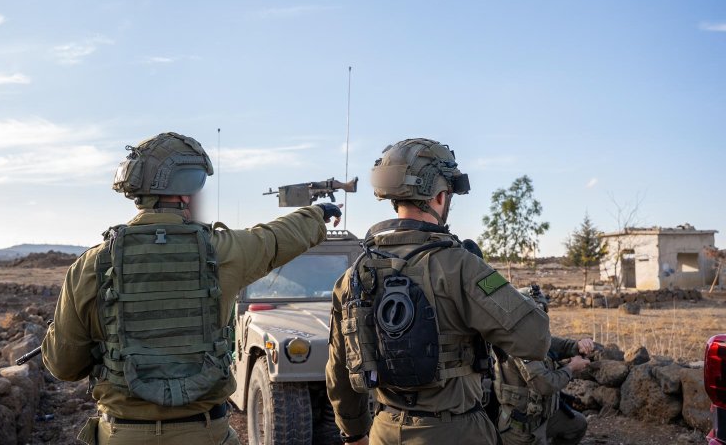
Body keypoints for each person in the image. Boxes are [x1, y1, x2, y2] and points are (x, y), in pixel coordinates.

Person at [41, 132, 342, 445]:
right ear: (186, 192)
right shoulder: (222, 250)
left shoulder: (91, 265)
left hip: (121, 433)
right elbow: (275, 238)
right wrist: (317, 213)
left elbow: (65, 367)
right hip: (205, 433)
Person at [325, 137, 551, 445]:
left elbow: (339, 372)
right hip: (457, 432)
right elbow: (535, 339)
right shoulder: (462, 266)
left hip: (384, 430)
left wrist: (353, 433)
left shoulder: (352, 276)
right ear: (440, 195)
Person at [493, 287, 592, 445]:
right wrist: (571, 368)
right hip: (521, 428)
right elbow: (545, 385)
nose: (540, 317)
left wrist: (578, 345)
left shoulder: (533, 335)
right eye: (535, 312)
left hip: (543, 416)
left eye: (542, 311)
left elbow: (555, 344)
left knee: (577, 425)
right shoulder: (517, 343)